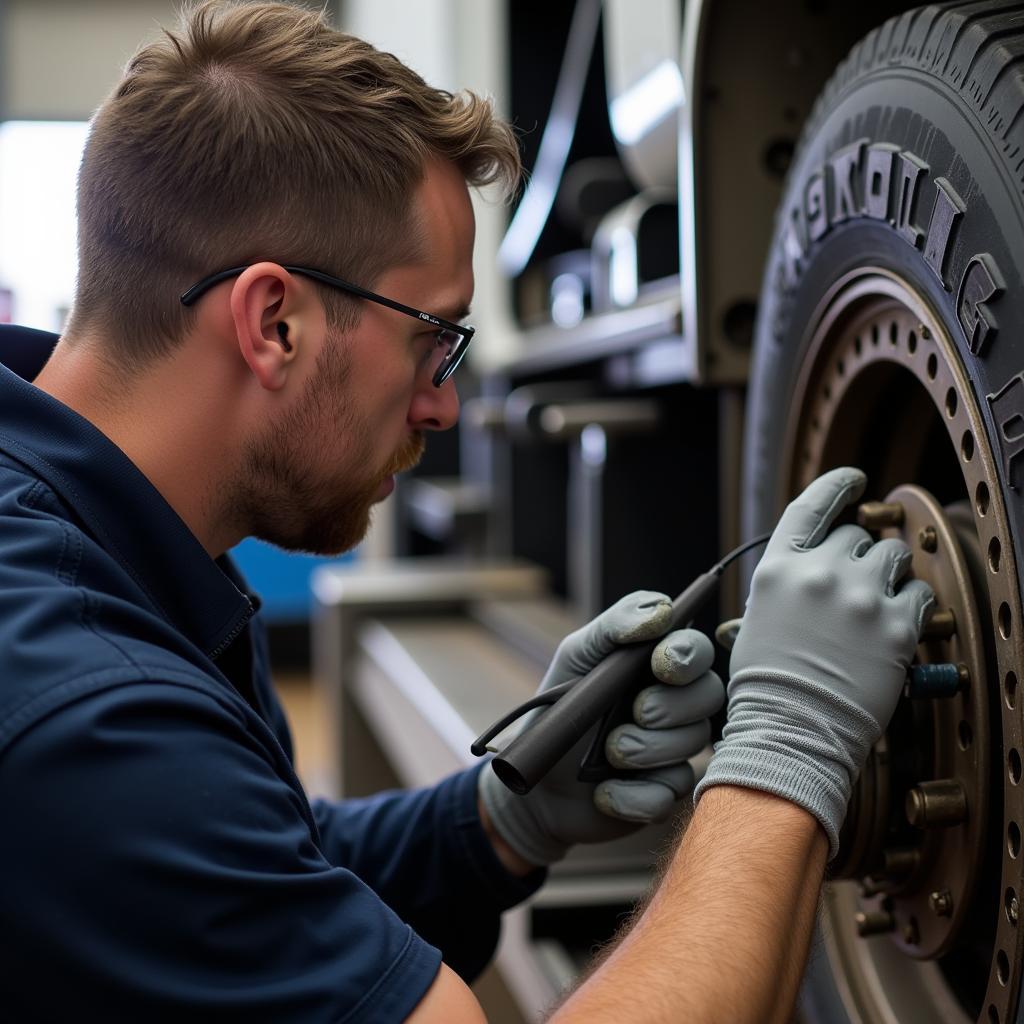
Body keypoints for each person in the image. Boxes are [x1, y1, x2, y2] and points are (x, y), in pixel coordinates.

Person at [0, 2, 934, 1022]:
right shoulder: (84, 710)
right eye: (433, 337)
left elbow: (262, 867)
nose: (446, 403)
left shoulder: (116, 543)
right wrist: (785, 753)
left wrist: (500, 818)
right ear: (274, 323)